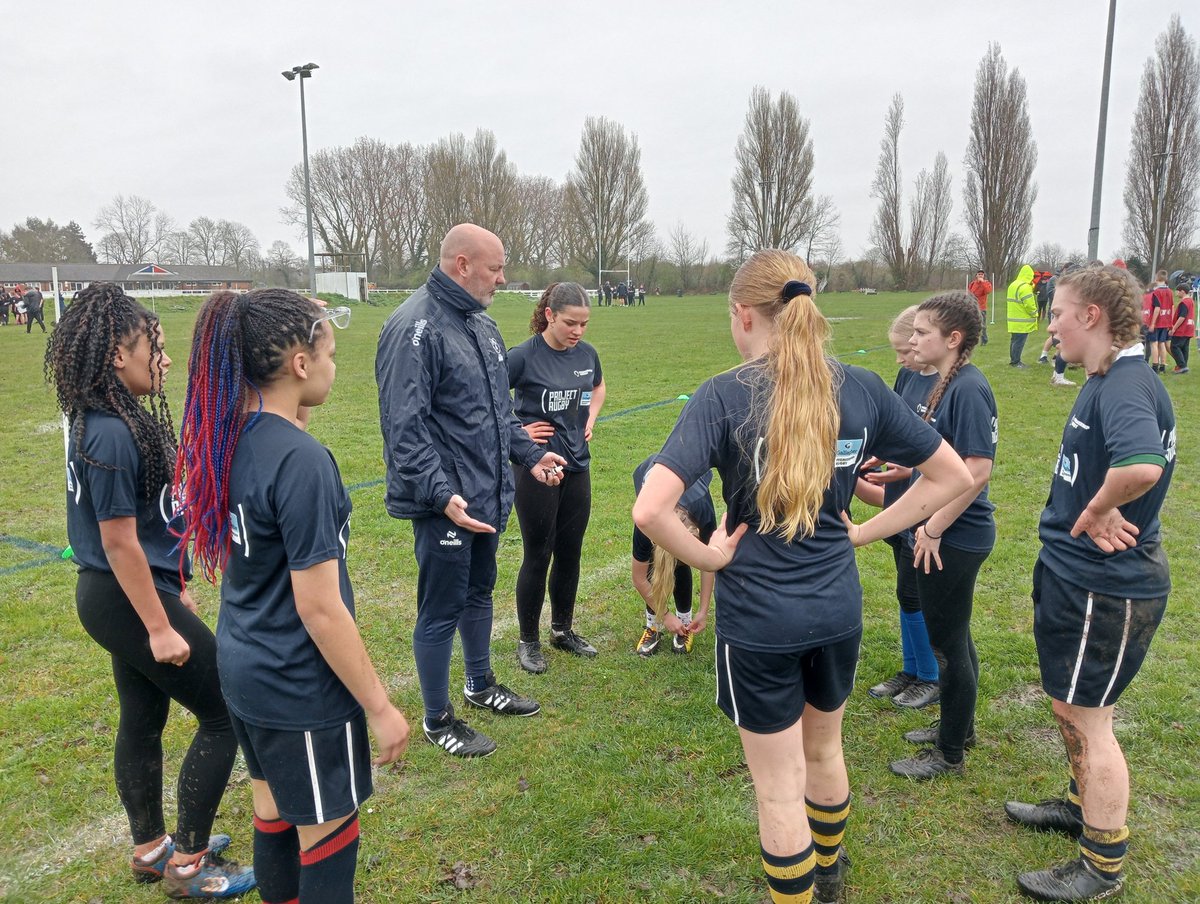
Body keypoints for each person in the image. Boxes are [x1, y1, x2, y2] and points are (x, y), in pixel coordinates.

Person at [632, 249, 972, 904]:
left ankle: (804, 892)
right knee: (824, 755)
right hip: (837, 609)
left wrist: (709, 557)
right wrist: (867, 533)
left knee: (777, 786)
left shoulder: (724, 393)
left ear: (743, 316)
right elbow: (953, 477)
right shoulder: (864, 386)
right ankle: (831, 879)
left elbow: (650, 508)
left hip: (759, 621)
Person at [174, 289, 409, 904]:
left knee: (275, 814)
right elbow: (320, 607)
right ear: (300, 363)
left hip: (244, 667)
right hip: (298, 684)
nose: (335, 365)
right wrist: (380, 707)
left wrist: (294, 420)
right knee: (327, 843)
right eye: (329, 352)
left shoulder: (226, 436)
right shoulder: (301, 461)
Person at [44, 282, 254, 899]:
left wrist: (176, 586)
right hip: (121, 594)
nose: (163, 360)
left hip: (126, 593)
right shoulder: (108, 430)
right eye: (152, 348)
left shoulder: (118, 418)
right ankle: (187, 865)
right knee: (225, 709)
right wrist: (159, 624)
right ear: (117, 353)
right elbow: (119, 543)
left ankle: (150, 848)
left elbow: (150, 523)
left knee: (143, 715)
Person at [1007, 263, 1175, 902]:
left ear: (1092, 317)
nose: (1051, 324)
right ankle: (1081, 803)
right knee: (1070, 706)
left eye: (1058, 312)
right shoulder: (1105, 377)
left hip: (1107, 586)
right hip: (1078, 574)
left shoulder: (1127, 386)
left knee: (1089, 718)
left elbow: (1140, 466)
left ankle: (1101, 864)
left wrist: (1100, 508)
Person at [376, 223, 565, 758]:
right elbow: (403, 430)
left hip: (484, 495)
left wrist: (530, 456)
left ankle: (480, 686)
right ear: (462, 264)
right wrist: (441, 496)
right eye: (496, 268)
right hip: (445, 505)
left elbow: (498, 415)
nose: (504, 278)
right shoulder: (414, 327)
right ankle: (438, 720)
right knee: (440, 607)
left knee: (480, 591)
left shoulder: (481, 327)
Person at [888, 292, 998, 779]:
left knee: (947, 647)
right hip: (944, 532)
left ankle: (949, 753)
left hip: (955, 536)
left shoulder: (968, 388)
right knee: (956, 639)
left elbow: (976, 470)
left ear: (952, 340)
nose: (912, 340)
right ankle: (960, 727)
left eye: (922, 333)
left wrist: (932, 528)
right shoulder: (943, 383)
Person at [508, 282, 607, 673]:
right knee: (539, 552)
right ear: (549, 315)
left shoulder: (587, 355)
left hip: (576, 465)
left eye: (584, 324)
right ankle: (528, 642)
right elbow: (490, 401)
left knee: (570, 550)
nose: (578, 331)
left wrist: (591, 419)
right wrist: (518, 432)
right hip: (537, 468)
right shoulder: (522, 356)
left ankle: (562, 631)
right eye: (571, 322)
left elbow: (597, 388)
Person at [855, 305, 941, 709]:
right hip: (899, 502)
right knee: (905, 593)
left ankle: (931, 675)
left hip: (927, 511)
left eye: (904, 349)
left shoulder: (951, 384)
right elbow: (894, 426)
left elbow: (950, 460)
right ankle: (911, 669)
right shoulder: (908, 376)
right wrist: (876, 454)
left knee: (916, 593)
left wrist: (908, 467)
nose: (901, 358)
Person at [631, 455, 715, 657]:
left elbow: (709, 565)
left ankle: (685, 623)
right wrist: (665, 616)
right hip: (650, 476)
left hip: (688, 479)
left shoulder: (704, 513)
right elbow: (639, 578)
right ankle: (653, 626)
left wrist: (703, 611)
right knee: (654, 562)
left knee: (679, 565)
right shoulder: (646, 521)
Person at [1007, 264, 1038, 367]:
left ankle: (1013, 360)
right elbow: (1029, 304)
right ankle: (1016, 362)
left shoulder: (1013, 285)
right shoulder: (1025, 287)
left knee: (1014, 341)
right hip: (1022, 320)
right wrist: (1035, 313)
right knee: (1019, 342)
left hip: (1013, 319)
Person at [1147, 270, 1174, 373]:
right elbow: (1171, 306)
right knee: (1162, 343)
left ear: (1157, 278)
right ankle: (1163, 366)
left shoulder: (1156, 292)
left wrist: (1152, 323)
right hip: (1166, 320)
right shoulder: (1170, 292)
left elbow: (1157, 308)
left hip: (1157, 321)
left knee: (1154, 343)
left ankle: (1154, 366)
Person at [1168, 280, 1194, 374]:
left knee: (1174, 346)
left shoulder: (1184, 303)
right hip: (1189, 328)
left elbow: (1182, 317)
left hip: (1182, 329)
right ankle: (1184, 366)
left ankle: (1182, 366)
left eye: (1177, 291)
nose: (1176, 292)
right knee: (1184, 348)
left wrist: (1174, 328)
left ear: (1182, 291)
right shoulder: (1190, 301)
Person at [967, 269, 991, 345]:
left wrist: (982, 282)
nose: (980, 275)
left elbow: (988, 291)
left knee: (982, 325)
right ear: (976, 275)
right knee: (972, 324)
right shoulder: (972, 284)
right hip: (973, 307)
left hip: (982, 308)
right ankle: (972, 340)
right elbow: (971, 292)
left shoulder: (986, 283)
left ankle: (984, 339)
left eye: (982, 274)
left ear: (983, 276)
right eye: (979, 274)